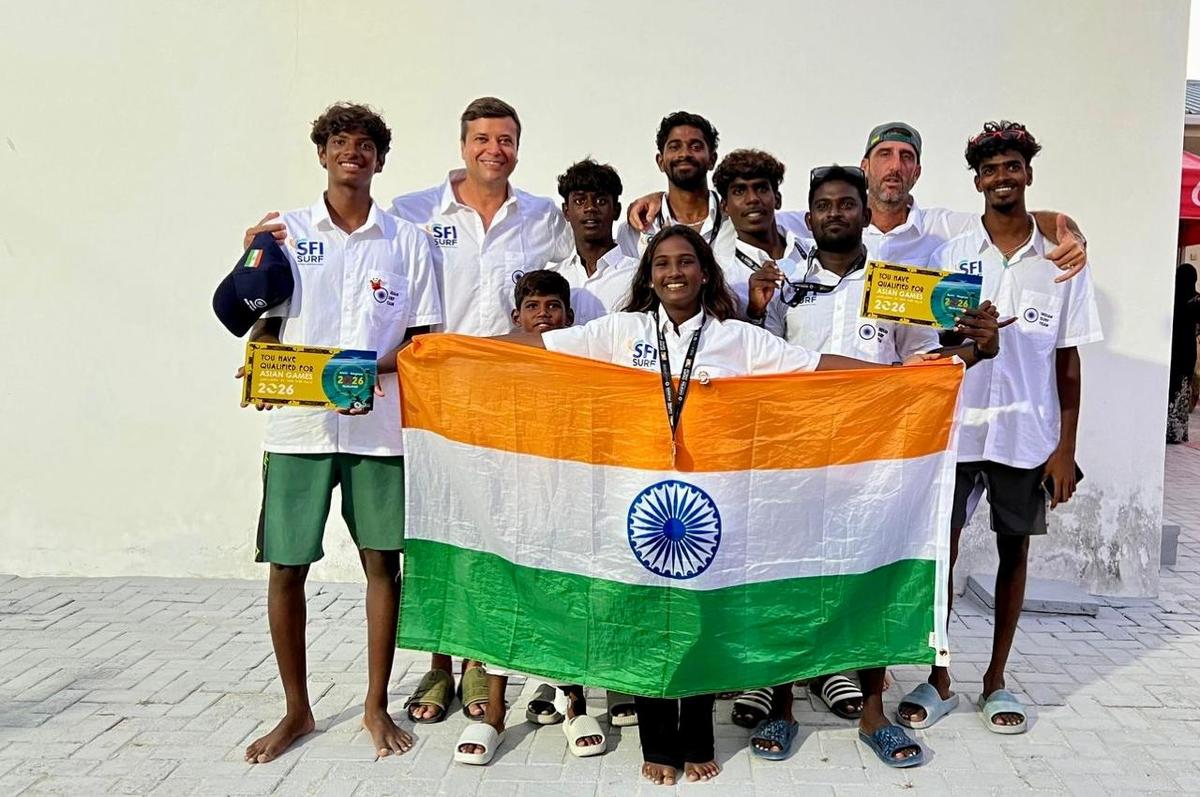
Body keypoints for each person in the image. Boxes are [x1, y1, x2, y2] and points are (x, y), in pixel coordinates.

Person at [496, 225, 949, 785]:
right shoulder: (621, 331)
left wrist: (899, 377)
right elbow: (542, 348)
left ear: (705, 272)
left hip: (711, 505)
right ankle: (658, 743)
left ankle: (698, 738)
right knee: (648, 617)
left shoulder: (737, 339)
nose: (674, 272)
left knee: (700, 617)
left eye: (686, 261)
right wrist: (449, 347)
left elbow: (812, 367)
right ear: (649, 276)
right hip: (637, 501)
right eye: (662, 263)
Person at [741, 163, 1003, 767]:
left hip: (875, 459)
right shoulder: (785, 284)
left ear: (865, 213)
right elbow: (755, 360)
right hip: (797, 456)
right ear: (809, 217)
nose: (835, 213)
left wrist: (980, 349)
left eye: (846, 204)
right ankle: (782, 706)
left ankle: (873, 713)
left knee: (873, 575)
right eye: (824, 205)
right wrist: (756, 309)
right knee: (791, 576)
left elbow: (924, 365)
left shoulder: (897, 285)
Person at [237, 103, 442, 764]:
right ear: (322, 153)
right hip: (298, 427)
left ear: (380, 159)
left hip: (378, 428)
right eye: (340, 141)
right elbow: (264, 321)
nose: (353, 151)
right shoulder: (286, 232)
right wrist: (263, 367)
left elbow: (423, 342)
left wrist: (363, 372)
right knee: (286, 565)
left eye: (365, 144)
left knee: (382, 563)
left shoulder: (409, 241)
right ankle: (296, 709)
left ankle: (375, 703)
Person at [903, 121, 1103, 736]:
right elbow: (932, 344)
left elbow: (1067, 360)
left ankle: (995, 680)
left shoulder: (1061, 261)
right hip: (958, 429)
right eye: (989, 170)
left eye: (1011, 166)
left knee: (1015, 551)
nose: (1001, 178)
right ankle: (938, 677)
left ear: (1028, 174)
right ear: (977, 182)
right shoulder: (951, 254)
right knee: (942, 553)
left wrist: (1065, 449)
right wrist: (964, 339)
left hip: (1027, 433)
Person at [452, 269, 609, 765]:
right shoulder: (498, 362)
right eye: (534, 306)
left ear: (570, 315)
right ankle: (495, 712)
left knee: (568, 593)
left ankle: (575, 701)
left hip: (569, 497)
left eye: (554, 306)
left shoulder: (585, 359)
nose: (544, 314)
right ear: (515, 316)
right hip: (511, 500)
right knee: (507, 594)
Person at [627, 121, 1090, 277]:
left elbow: (1005, 217)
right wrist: (662, 195)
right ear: (865, 166)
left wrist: (1063, 226)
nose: (895, 166)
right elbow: (746, 207)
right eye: (884, 155)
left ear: (917, 172)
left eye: (906, 157)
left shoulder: (943, 228)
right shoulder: (810, 224)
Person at [615, 112, 736, 260]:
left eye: (696, 147)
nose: (684, 154)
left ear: (712, 160)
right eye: (674, 147)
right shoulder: (637, 229)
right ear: (660, 162)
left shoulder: (735, 220)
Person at [547, 159, 639, 325]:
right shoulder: (553, 280)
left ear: (616, 210)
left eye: (601, 201)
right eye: (580, 201)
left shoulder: (638, 276)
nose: (590, 208)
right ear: (566, 211)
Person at [1169, 263, 1200, 443]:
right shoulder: (1196, 300)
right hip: (1187, 351)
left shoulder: (1171, 297)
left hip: (1170, 350)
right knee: (1181, 388)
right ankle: (1177, 431)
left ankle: (1165, 428)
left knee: (1170, 388)